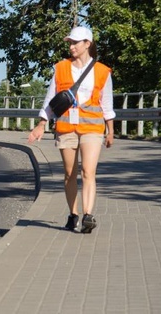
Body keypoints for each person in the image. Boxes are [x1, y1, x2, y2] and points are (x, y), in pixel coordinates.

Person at [28, 26, 115, 234]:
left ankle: (88, 215)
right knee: (69, 173)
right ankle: (73, 214)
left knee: (88, 171)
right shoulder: (61, 68)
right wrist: (41, 124)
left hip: (93, 128)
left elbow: (107, 104)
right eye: (70, 42)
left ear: (88, 44)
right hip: (66, 127)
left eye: (76, 42)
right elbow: (51, 100)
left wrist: (110, 130)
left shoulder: (102, 71)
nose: (72, 46)